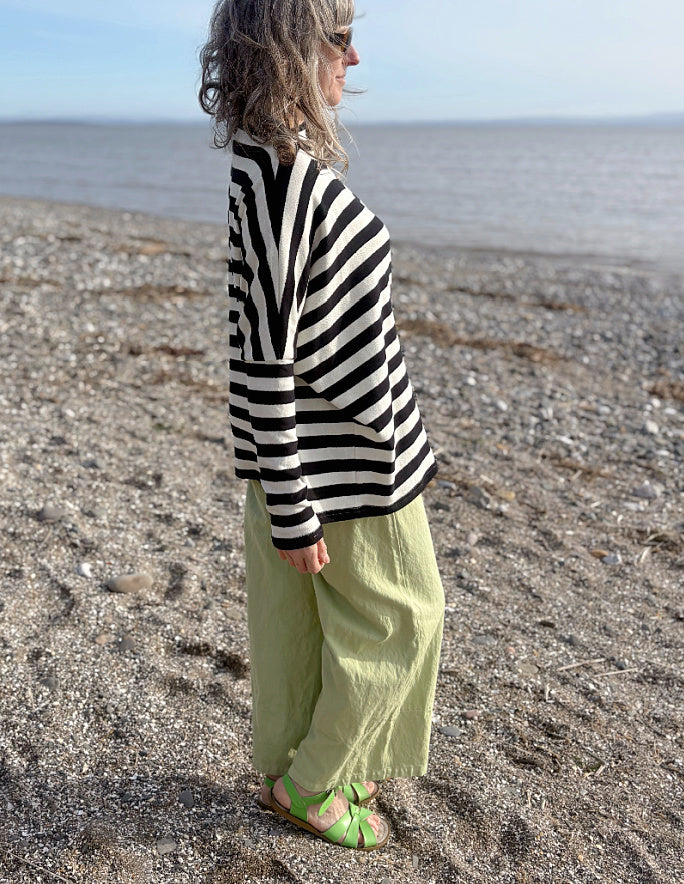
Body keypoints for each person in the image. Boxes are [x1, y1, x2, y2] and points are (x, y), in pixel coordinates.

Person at [199, 0, 445, 851]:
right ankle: (310, 786)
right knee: (405, 619)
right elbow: (262, 356)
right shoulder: (278, 178)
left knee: (308, 627)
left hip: (333, 446)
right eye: (339, 38)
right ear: (291, 50)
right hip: (343, 459)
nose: (355, 55)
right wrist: (294, 499)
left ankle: (305, 763)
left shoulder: (276, 162)